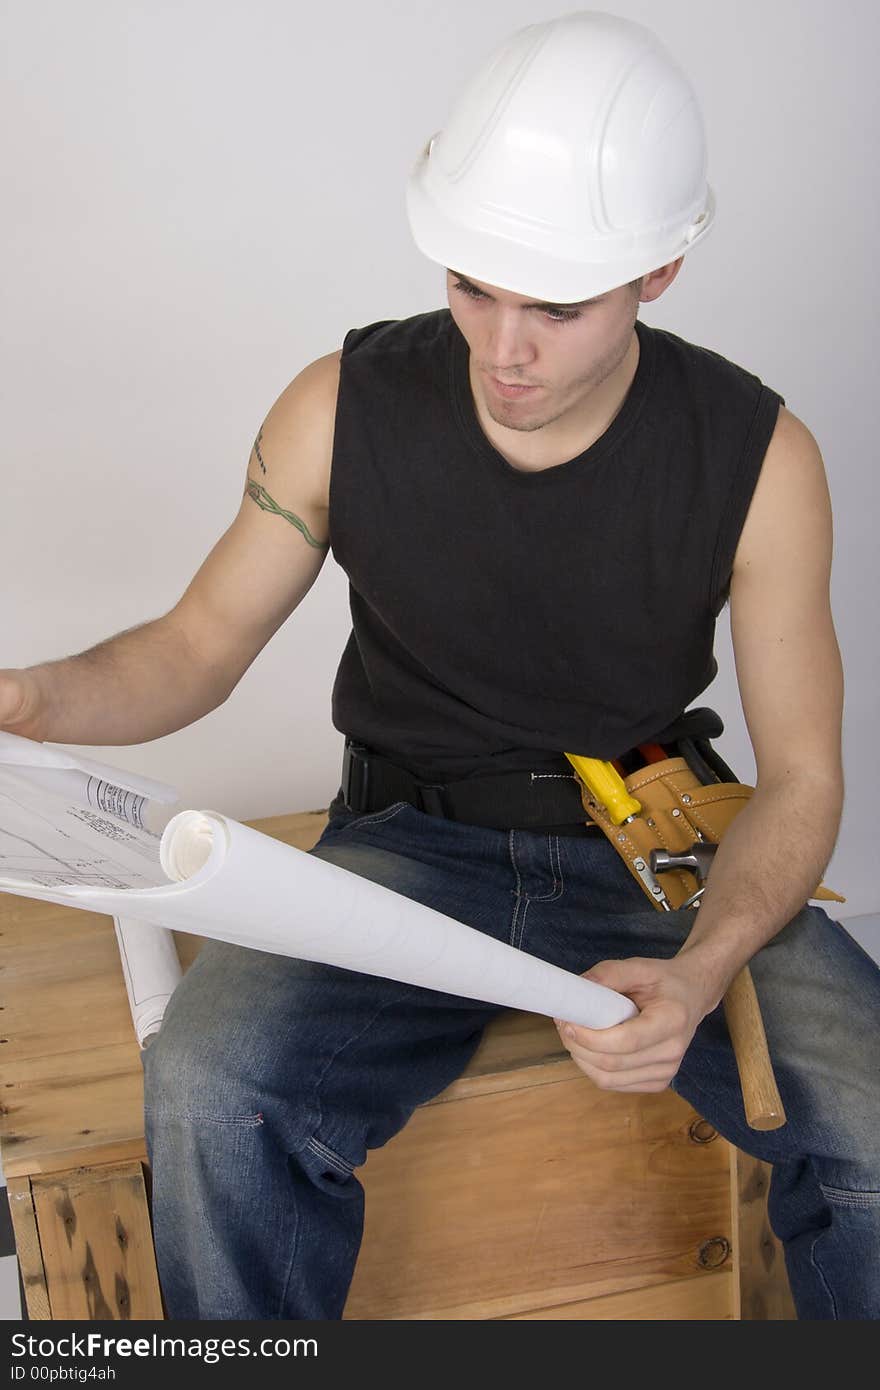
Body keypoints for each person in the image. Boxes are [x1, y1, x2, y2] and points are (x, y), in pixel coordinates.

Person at [2, 11, 878, 1321]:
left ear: (660, 271)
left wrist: (700, 972)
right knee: (212, 1082)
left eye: (556, 305)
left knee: (871, 1119)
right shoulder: (337, 406)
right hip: (407, 850)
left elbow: (804, 779)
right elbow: (192, 648)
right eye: (472, 281)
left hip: (657, 844)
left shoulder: (762, 460)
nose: (502, 347)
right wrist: (25, 697)